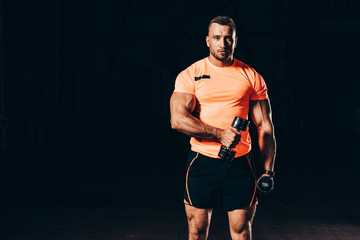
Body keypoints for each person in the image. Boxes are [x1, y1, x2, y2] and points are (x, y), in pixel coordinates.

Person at [170, 16, 276, 240]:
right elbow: (177, 120)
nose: (223, 43)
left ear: (235, 41)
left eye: (228, 38)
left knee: (241, 232)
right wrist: (220, 134)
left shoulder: (252, 77)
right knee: (196, 232)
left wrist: (268, 170)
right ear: (207, 40)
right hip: (202, 161)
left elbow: (265, 126)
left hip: (240, 163)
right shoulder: (190, 74)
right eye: (217, 37)